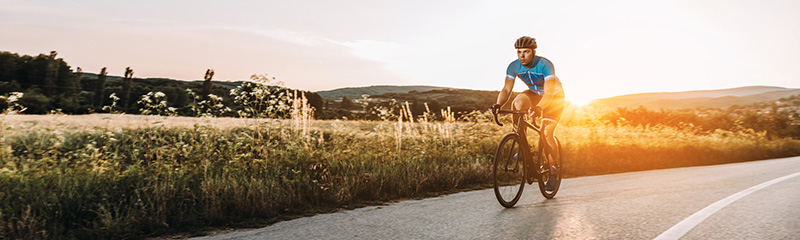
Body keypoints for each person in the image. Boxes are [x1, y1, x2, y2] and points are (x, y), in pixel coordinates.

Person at [491, 36, 564, 191]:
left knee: (547, 132)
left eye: (526, 52)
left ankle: (552, 170)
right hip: (534, 93)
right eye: (519, 52)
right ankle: (521, 143)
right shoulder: (513, 66)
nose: (522, 56)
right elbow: (506, 90)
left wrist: (539, 108)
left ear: (533, 52)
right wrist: (498, 105)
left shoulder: (545, 65)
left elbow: (549, 93)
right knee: (517, 103)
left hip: (554, 97)